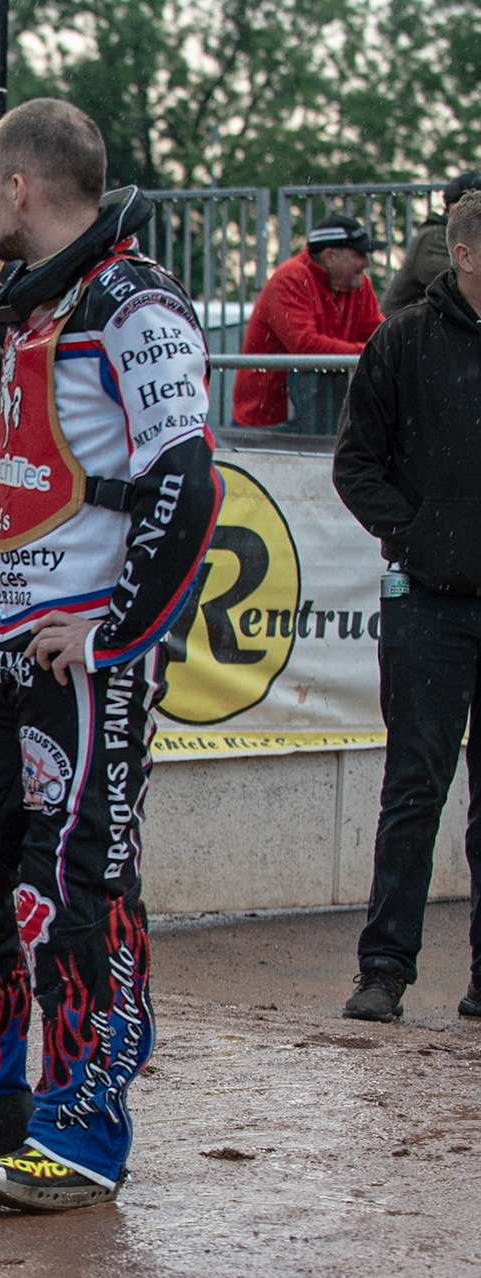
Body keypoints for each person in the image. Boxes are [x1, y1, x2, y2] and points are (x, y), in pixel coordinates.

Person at [0, 99, 222, 1212]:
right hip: (5, 649)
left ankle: (83, 1133)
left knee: (69, 889)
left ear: (19, 189)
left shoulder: (137, 305)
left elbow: (187, 483)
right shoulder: (35, 305)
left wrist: (116, 631)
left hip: (87, 668)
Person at [332, 190, 481, 1025]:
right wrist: (417, 537)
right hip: (428, 602)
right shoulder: (402, 342)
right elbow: (356, 466)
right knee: (414, 789)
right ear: (463, 255)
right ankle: (384, 968)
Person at [232, 213, 385, 430]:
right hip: (268, 425)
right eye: (359, 254)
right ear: (330, 256)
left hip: (321, 421)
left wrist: (385, 350)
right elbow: (305, 346)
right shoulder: (290, 279)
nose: (366, 262)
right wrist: (369, 354)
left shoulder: (358, 284)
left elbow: (381, 335)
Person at [382, 173, 481, 314]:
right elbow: (460, 283)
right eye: (475, 205)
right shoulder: (432, 238)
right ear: (453, 207)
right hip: (409, 330)